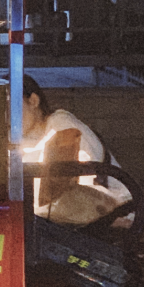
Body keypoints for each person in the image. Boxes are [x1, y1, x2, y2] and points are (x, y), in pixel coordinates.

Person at [20, 75, 132, 227]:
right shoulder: (21, 144)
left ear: (33, 101)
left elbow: (76, 184)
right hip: (69, 219)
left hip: (115, 210)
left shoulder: (62, 126)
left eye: (12, 106)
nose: (9, 116)